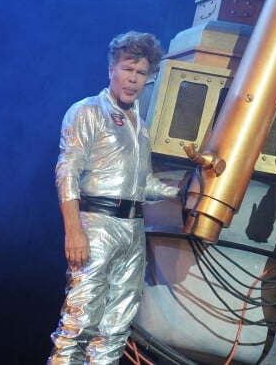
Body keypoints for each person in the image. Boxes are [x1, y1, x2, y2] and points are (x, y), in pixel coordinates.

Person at [48, 31, 181, 364]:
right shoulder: (87, 111)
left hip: (133, 231)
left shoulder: (140, 125)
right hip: (96, 225)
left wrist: (179, 190)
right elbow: (67, 171)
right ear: (112, 69)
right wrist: (73, 229)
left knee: (115, 329)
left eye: (140, 73)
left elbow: (143, 183)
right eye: (127, 69)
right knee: (78, 325)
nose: (133, 79)